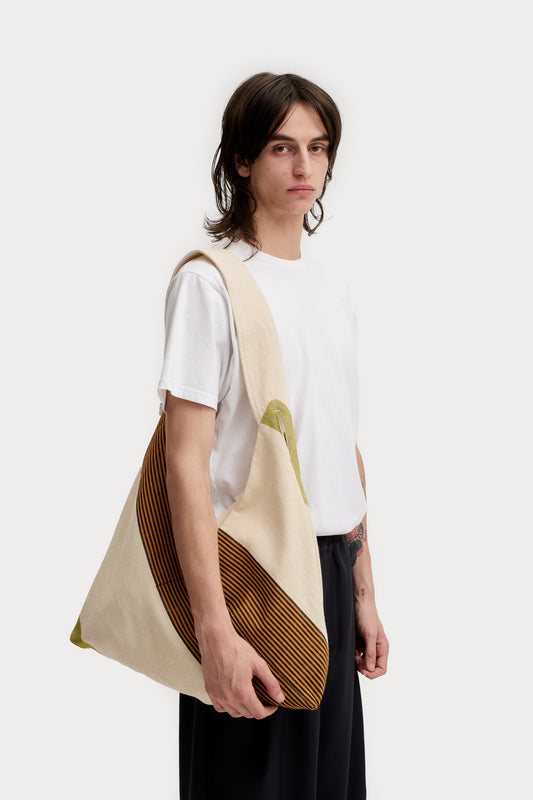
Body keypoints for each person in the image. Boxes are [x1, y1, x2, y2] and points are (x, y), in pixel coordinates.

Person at [157, 72, 389, 800]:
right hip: (252, 576)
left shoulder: (331, 289)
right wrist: (213, 629)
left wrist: (363, 592)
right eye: (282, 148)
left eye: (317, 148)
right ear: (241, 160)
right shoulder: (211, 284)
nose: (303, 166)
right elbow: (185, 463)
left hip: (328, 569)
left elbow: (339, 445)